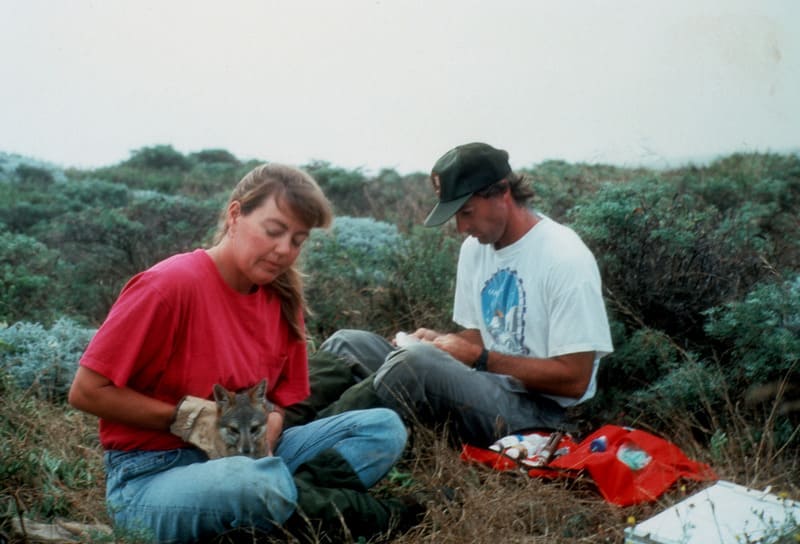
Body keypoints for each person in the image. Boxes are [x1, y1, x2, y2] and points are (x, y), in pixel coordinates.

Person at [68, 163, 416, 544]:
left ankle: (268, 511)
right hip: (153, 475)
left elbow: (280, 403)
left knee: (383, 428)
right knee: (252, 485)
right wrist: (190, 420)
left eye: (298, 240)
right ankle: (379, 516)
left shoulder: (282, 300)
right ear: (235, 215)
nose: (284, 250)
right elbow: (86, 391)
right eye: (274, 231)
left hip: (249, 456)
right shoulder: (169, 286)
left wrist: (273, 423)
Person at [315, 142, 614, 447]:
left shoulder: (564, 257)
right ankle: (279, 428)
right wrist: (440, 343)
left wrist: (477, 358)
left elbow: (575, 380)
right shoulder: (476, 248)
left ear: (502, 192)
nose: (461, 227)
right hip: (489, 386)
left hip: (543, 415)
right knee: (348, 343)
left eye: (466, 212)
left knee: (414, 365)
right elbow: (486, 335)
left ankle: (308, 445)